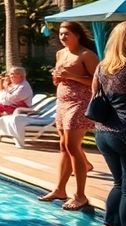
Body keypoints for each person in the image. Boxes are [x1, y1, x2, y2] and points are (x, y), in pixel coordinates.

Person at [39, 21, 99, 211]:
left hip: (80, 103)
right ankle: (59, 189)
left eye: (67, 34)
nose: (63, 37)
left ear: (77, 35)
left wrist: (71, 77)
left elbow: (98, 81)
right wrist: (57, 78)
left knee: (73, 146)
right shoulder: (60, 54)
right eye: (61, 34)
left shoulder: (87, 55)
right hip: (63, 103)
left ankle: (80, 195)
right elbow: (60, 78)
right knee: (64, 146)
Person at [92, 21, 126, 226]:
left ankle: (109, 225)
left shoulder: (103, 66)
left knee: (119, 183)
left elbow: (94, 92)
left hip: (103, 132)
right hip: (125, 133)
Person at [0, 67, 33, 136]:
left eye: (16, 74)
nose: (12, 76)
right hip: (10, 106)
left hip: (19, 110)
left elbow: (13, 99)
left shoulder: (24, 86)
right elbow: (2, 98)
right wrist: (2, 88)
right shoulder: (13, 85)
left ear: (21, 76)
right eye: (11, 74)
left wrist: (5, 87)